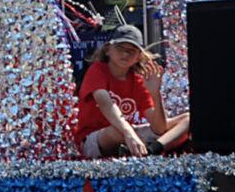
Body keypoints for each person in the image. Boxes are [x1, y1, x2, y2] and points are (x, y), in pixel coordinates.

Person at [76, 25, 190, 158]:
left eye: (132, 50)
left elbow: (159, 128)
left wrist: (155, 93)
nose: (125, 54)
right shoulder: (97, 70)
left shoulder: (137, 79)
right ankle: (140, 148)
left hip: (130, 134)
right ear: (107, 50)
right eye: (120, 48)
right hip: (97, 139)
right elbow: (105, 103)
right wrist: (129, 134)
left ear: (138, 57)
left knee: (188, 118)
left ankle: (153, 150)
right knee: (117, 131)